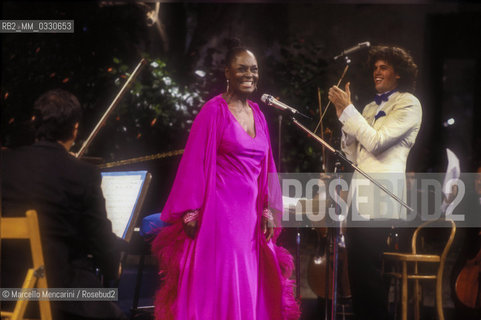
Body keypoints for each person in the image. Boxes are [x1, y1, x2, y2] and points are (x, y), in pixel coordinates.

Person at [152, 46, 300, 320]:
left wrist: (268, 209)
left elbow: (267, 167)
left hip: (252, 218)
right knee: (226, 282)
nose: (249, 74)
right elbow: (193, 163)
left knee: (252, 282)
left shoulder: (258, 113)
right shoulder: (213, 111)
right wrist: (190, 211)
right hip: (221, 216)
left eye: (253, 69)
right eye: (242, 68)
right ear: (227, 73)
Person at [1, 89, 126, 320]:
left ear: (34, 122)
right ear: (75, 128)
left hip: (7, 292)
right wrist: (112, 266)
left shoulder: (5, 164)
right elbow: (99, 239)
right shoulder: (82, 174)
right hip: (59, 294)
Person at [328, 45, 422, 319]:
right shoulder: (368, 107)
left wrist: (349, 112)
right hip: (359, 197)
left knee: (369, 273)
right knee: (356, 273)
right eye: (375, 67)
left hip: (381, 197)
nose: (376, 72)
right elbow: (352, 153)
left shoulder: (409, 103)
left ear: (399, 74)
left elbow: (377, 143)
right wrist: (342, 117)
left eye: (384, 67)